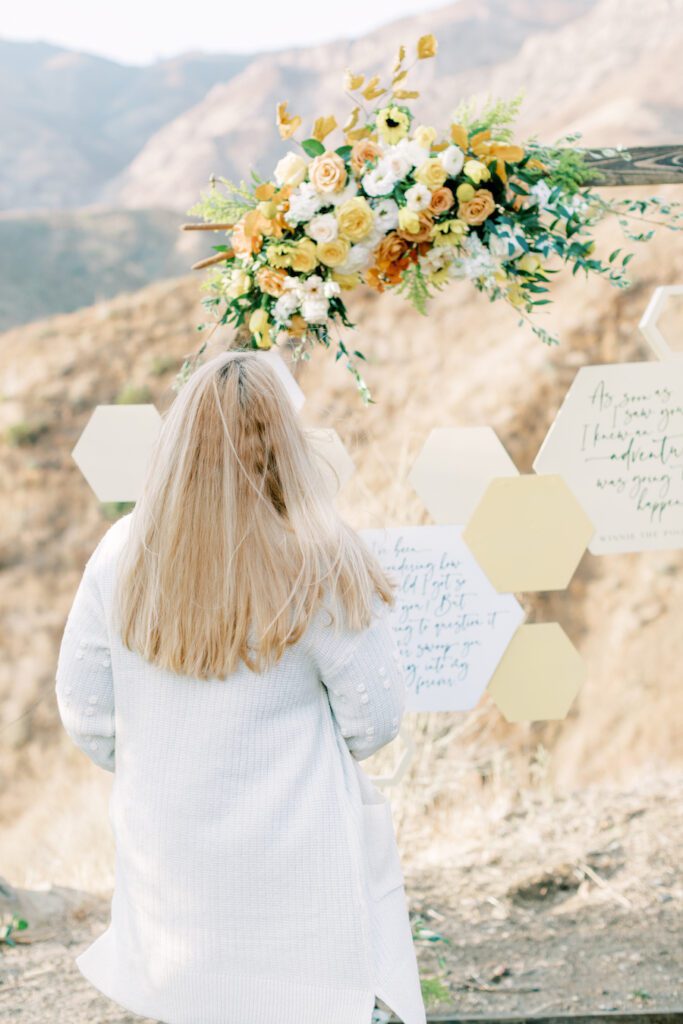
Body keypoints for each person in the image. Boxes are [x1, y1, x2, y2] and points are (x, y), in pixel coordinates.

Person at [55, 349, 427, 1024]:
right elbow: (375, 721)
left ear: (176, 441)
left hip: (169, 874)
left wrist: (165, 754)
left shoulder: (120, 552)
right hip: (300, 879)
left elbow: (85, 714)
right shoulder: (320, 555)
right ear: (286, 440)